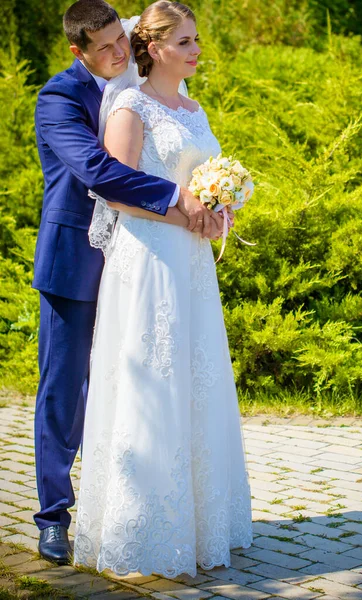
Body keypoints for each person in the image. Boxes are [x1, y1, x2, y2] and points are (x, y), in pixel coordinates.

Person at [33, 0, 223, 564]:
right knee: (65, 393)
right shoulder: (60, 98)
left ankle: (120, 509)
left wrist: (213, 205)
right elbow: (97, 171)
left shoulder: (142, 83)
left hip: (141, 261)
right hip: (76, 261)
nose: (119, 52)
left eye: (122, 39)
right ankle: (52, 518)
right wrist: (177, 200)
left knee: (134, 391)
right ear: (79, 51)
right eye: (106, 47)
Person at [73, 0, 252, 579]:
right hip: (150, 258)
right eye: (185, 43)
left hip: (193, 263)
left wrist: (221, 212)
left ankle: (200, 522)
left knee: (195, 378)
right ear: (154, 49)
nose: (197, 51)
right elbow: (120, 193)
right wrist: (189, 215)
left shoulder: (195, 109)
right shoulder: (130, 107)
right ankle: (144, 527)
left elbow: (206, 183)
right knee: (154, 377)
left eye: (197, 40)